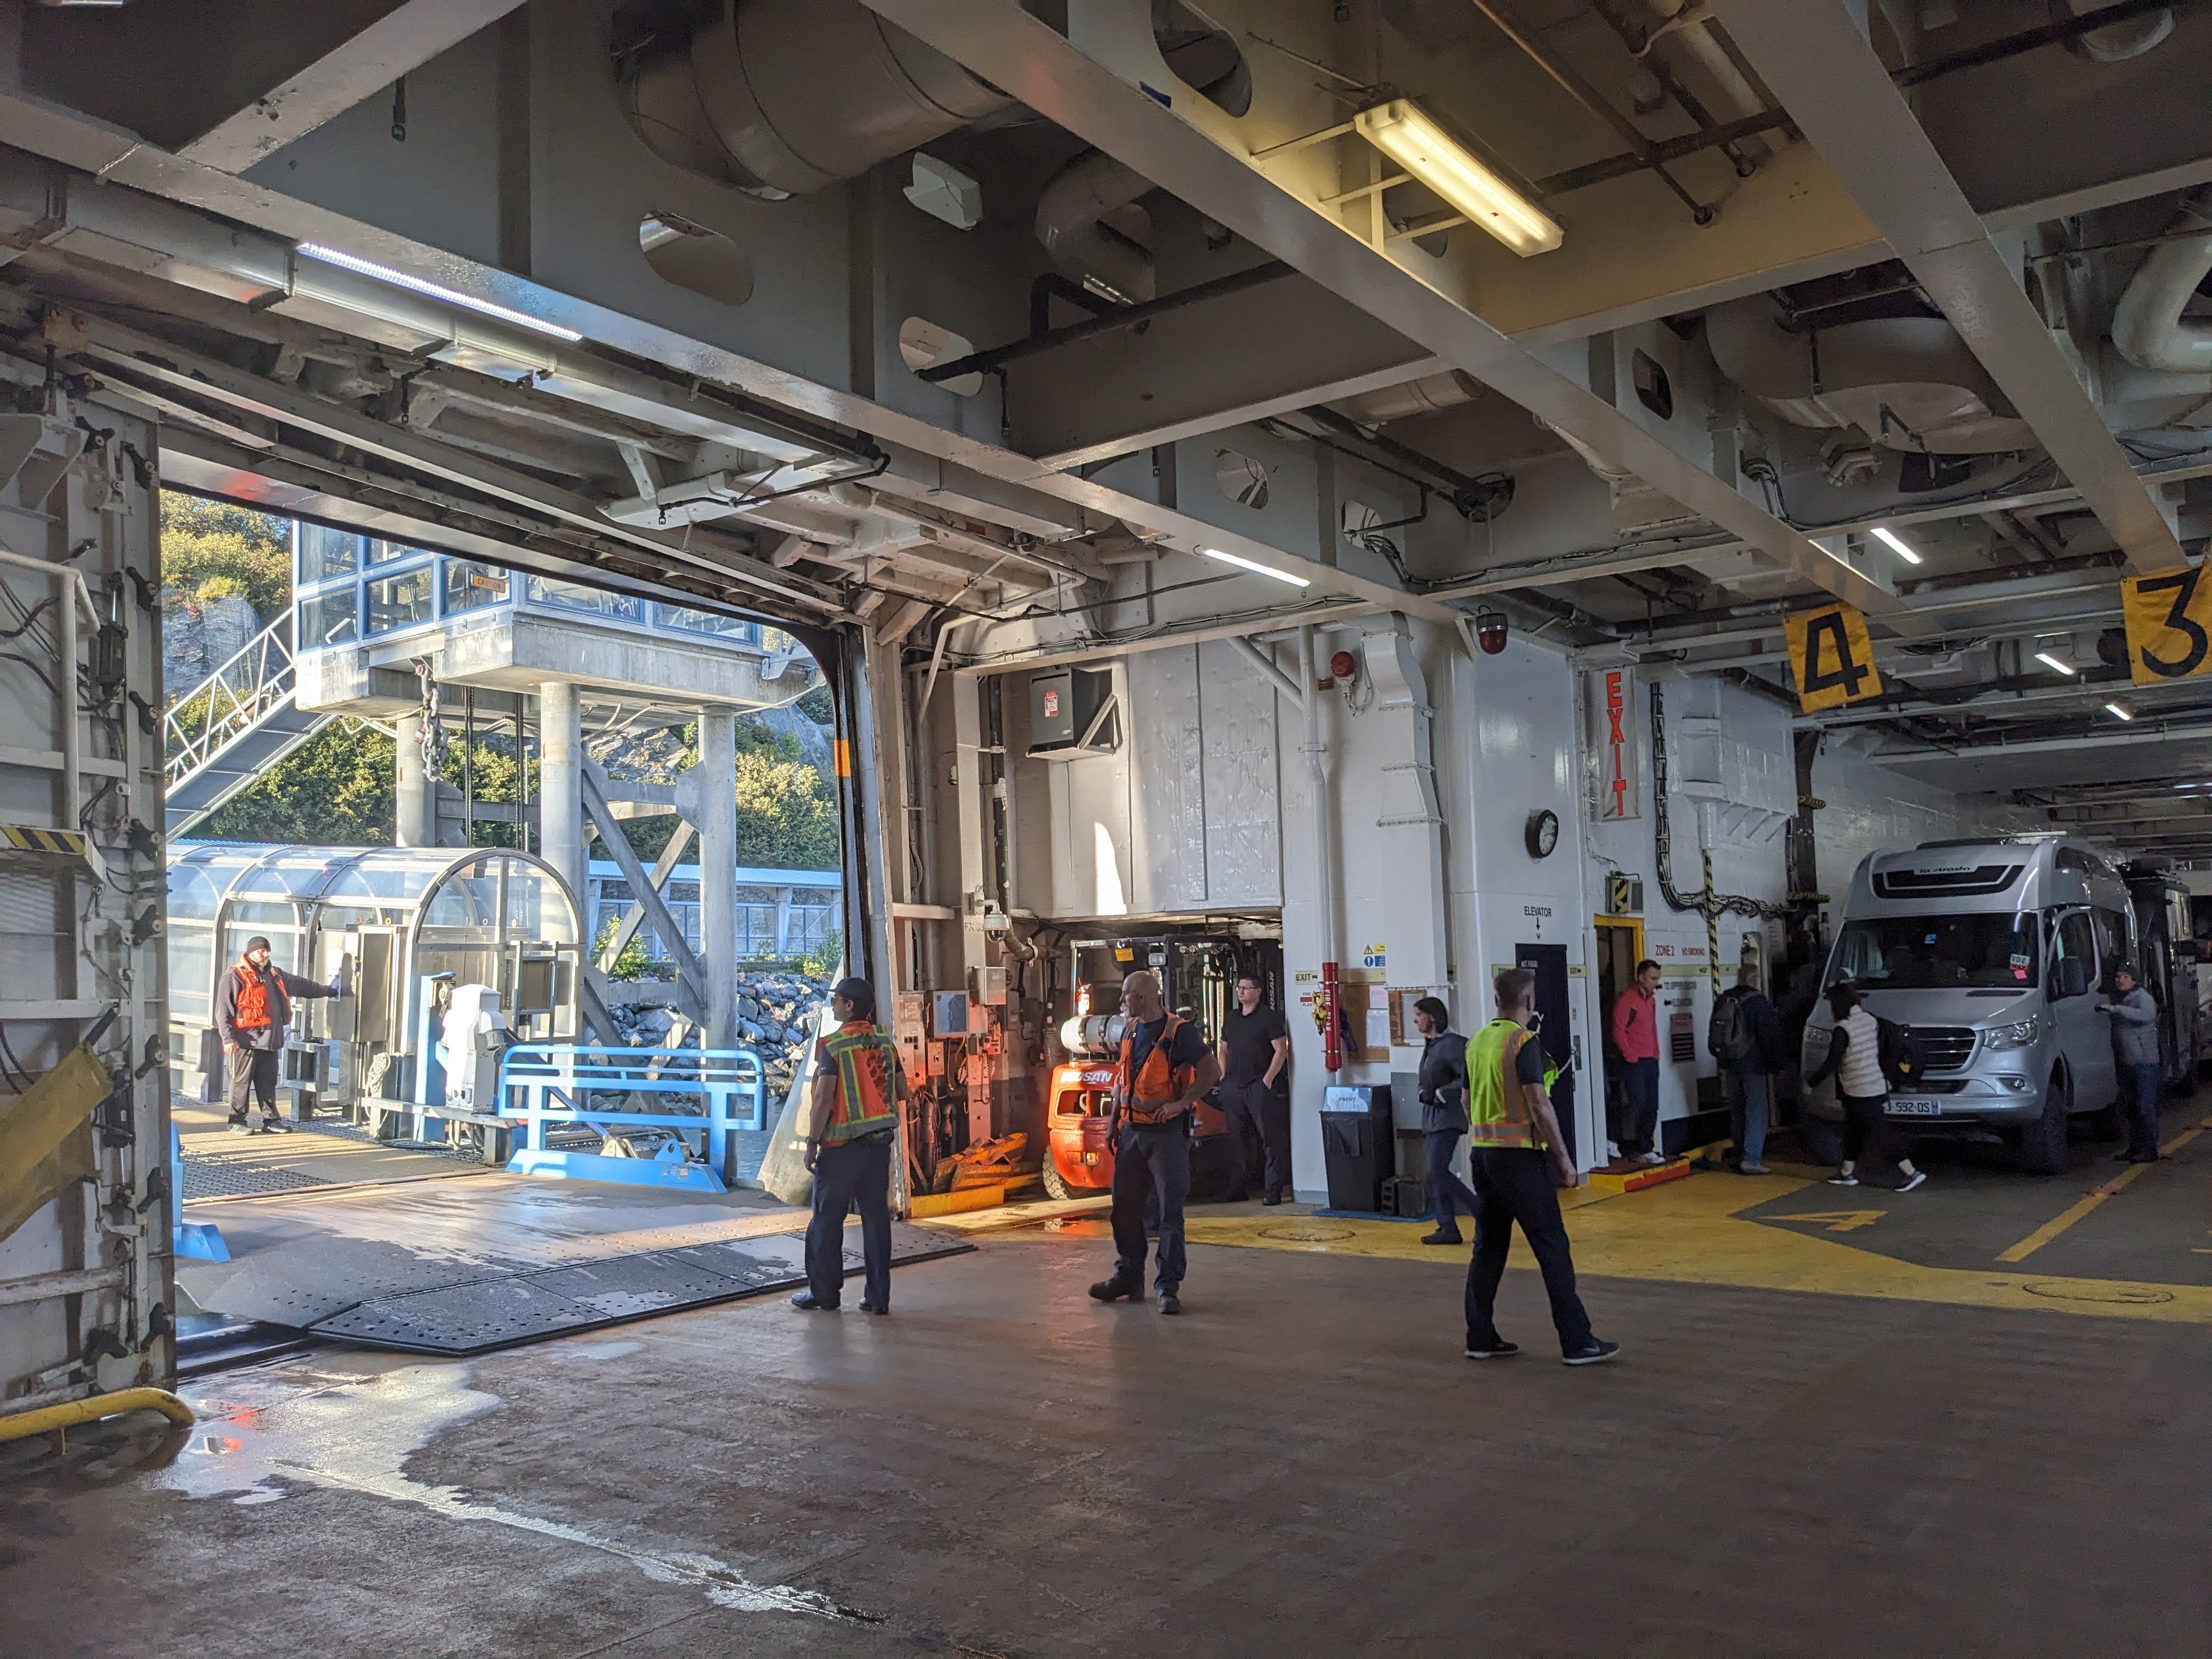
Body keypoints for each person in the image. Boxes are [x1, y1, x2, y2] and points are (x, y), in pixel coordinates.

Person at [1463, 969, 1618, 1365]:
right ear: (1529, 1003)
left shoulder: (1478, 1041)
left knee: (1489, 1248)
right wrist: (1562, 1157)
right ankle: (1577, 1342)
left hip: (1483, 1154)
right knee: (1551, 1246)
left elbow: (1465, 1100)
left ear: (1497, 999)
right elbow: (1539, 1103)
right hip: (1519, 1158)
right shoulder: (1523, 1041)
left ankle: (1480, 1337)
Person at [1090, 969, 1221, 1315]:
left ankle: (1167, 1287)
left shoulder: (1180, 1033)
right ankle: (1128, 1278)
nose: (1121, 1001)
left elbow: (1212, 1071)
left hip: (1165, 1136)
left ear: (1144, 998)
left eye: (1125, 995)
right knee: (1124, 1210)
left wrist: (1181, 1103)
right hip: (1132, 1132)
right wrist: (1112, 1121)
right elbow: (1122, 1079)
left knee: (1169, 1213)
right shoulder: (1131, 1030)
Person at [793, 976, 911, 1315]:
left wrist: (812, 1143)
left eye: (836, 1000)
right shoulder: (885, 1044)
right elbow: (903, 1091)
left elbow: (822, 1098)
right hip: (878, 1149)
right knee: (876, 1220)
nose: (833, 1005)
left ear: (849, 1006)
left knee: (827, 1221)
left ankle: (825, 1294)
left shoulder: (834, 1045)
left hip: (841, 1148)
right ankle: (878, 1299)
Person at [1805, 985, 1926, 1192]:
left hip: (1860, 1089)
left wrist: (1811, 1082)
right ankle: (1847, 1172)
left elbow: (1832, 1061)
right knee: (1853, 1130)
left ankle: (1910, 1172)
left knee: (1881, 1133)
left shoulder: (1843, 1029)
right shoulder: (1870, 1020)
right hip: (1876, 1084)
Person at [215, 935, 339, 1136]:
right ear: (250, 952)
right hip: (246, 1041)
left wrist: (330, 991)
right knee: (240, 1083)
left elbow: (303, 986)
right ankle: (237, 1121)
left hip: (271, 1040)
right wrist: (228, 1039)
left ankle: (271, 1121)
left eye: (267, 950)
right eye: (260, 950)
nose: (264, 954)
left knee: (268, 1083)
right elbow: (224, 1011)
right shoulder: (234, 976)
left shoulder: (276, 975)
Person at [1216, 972, 1292, 1205]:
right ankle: (1238, 1189)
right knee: (1237, 1140)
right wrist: (1223, 1076)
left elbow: (1281, 1049)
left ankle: (1273, 1190)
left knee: (1269, 1139)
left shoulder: (1269, 1018)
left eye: (1246, 988)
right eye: (1239, 988)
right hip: (1234, 1087)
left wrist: (1268, 1079)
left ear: (1258, 992)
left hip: (1258, 1086)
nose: (1241, 992)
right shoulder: (1232, 1018)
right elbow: (1223, 1049)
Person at [1413, 996, 1479, 1246]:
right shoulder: (1431, 1045)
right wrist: (1423, 1092)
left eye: (1419, 1015)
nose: (1415, 1020)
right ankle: (1447, 1227)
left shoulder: (1452, 1045)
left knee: (1437, 1169)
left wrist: (1442, 1094)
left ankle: (1480, 1212)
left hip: (1449, 1117)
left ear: (1431, 1017)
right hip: (1432, 1118)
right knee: (1434, 1174)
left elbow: (1468, 1077)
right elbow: (1426, 1077)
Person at [1716, 964, 1785, 1176]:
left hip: (1731, 1063)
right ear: (1756, 979)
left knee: (1737, 1110)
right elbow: (1769, 1038)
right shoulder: (1758, 1002)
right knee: (1756, 1111)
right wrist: (1777, 1066)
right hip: (1754, 1065)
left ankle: (1738, 1154)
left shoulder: (1725, 998)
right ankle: (1751, 1159)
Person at [2101, 966, 2163, 1164]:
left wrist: (2117, 1010)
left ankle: (2149, 1149)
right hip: (2127, 1062)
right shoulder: (2121, 998)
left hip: (2144, 1062)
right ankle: (2135, 1148)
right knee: (2130, 1108)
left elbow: (2148, 1015)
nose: (2120, 980)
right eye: (2118, 976)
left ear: (2134, 980)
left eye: (2125, 977)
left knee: (2144, 1107)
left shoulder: (2142, 997)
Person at [1609, 958, 1663, 1165]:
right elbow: (1618, 1030)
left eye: (1657, 978)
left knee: (1652, 1105)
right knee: (1636, 1102)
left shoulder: (1651, 1000)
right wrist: (1629, 1054)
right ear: (1640, 977)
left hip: (1650, 1060)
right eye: (1652, 978)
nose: (1655, 982)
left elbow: (1652, 1028)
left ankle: (1646, 1148)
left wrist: (1656, 1052)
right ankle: (1616, 1139)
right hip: (1633, 1061)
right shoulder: (1627, 1000)